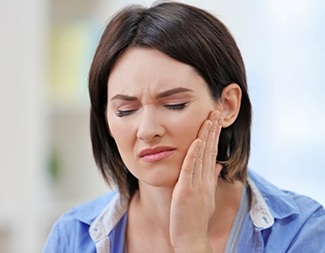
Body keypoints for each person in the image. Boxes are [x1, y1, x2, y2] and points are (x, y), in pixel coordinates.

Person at [43, 1, 325, 252]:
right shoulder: (72, 238)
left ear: (227, 105)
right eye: (125, 110)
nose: (147, 130)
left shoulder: (300, 233)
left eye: (174, 104)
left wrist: (192, 242)